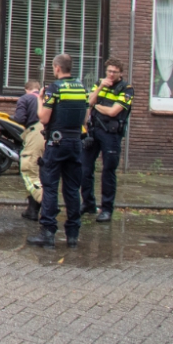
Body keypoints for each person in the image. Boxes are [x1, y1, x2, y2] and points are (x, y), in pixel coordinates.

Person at [27, 54, 88, 249]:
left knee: (50, 187)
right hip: (76, 143)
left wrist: (40, 99)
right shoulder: (81, 88)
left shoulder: (55, 89)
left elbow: (44, 118)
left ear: (57, 68)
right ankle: (72, 235)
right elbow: (85, 118)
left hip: (56, 143)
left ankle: (48, 233)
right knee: (72, 189)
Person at [80, 58, 134, 223]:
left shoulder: (127, 89)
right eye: (109, 71)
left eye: (114, 72)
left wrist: (95, 106)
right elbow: (88, 102)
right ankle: (88, 203)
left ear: (121, 73)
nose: (111, 74)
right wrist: (101, 87)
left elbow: (113, 112)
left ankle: (106, 209)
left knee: (108, 171)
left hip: (111, 134)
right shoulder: (99, 84)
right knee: (84, 168)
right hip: (94, 131)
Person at [16, 79, 45, 221]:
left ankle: (47, 205)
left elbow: (20, 118)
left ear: (26, 89)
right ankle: (32, 210)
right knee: (42, 174)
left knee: (29, 171)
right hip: (50, 135)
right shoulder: (45, 98)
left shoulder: (25, 98)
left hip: (35, 135)